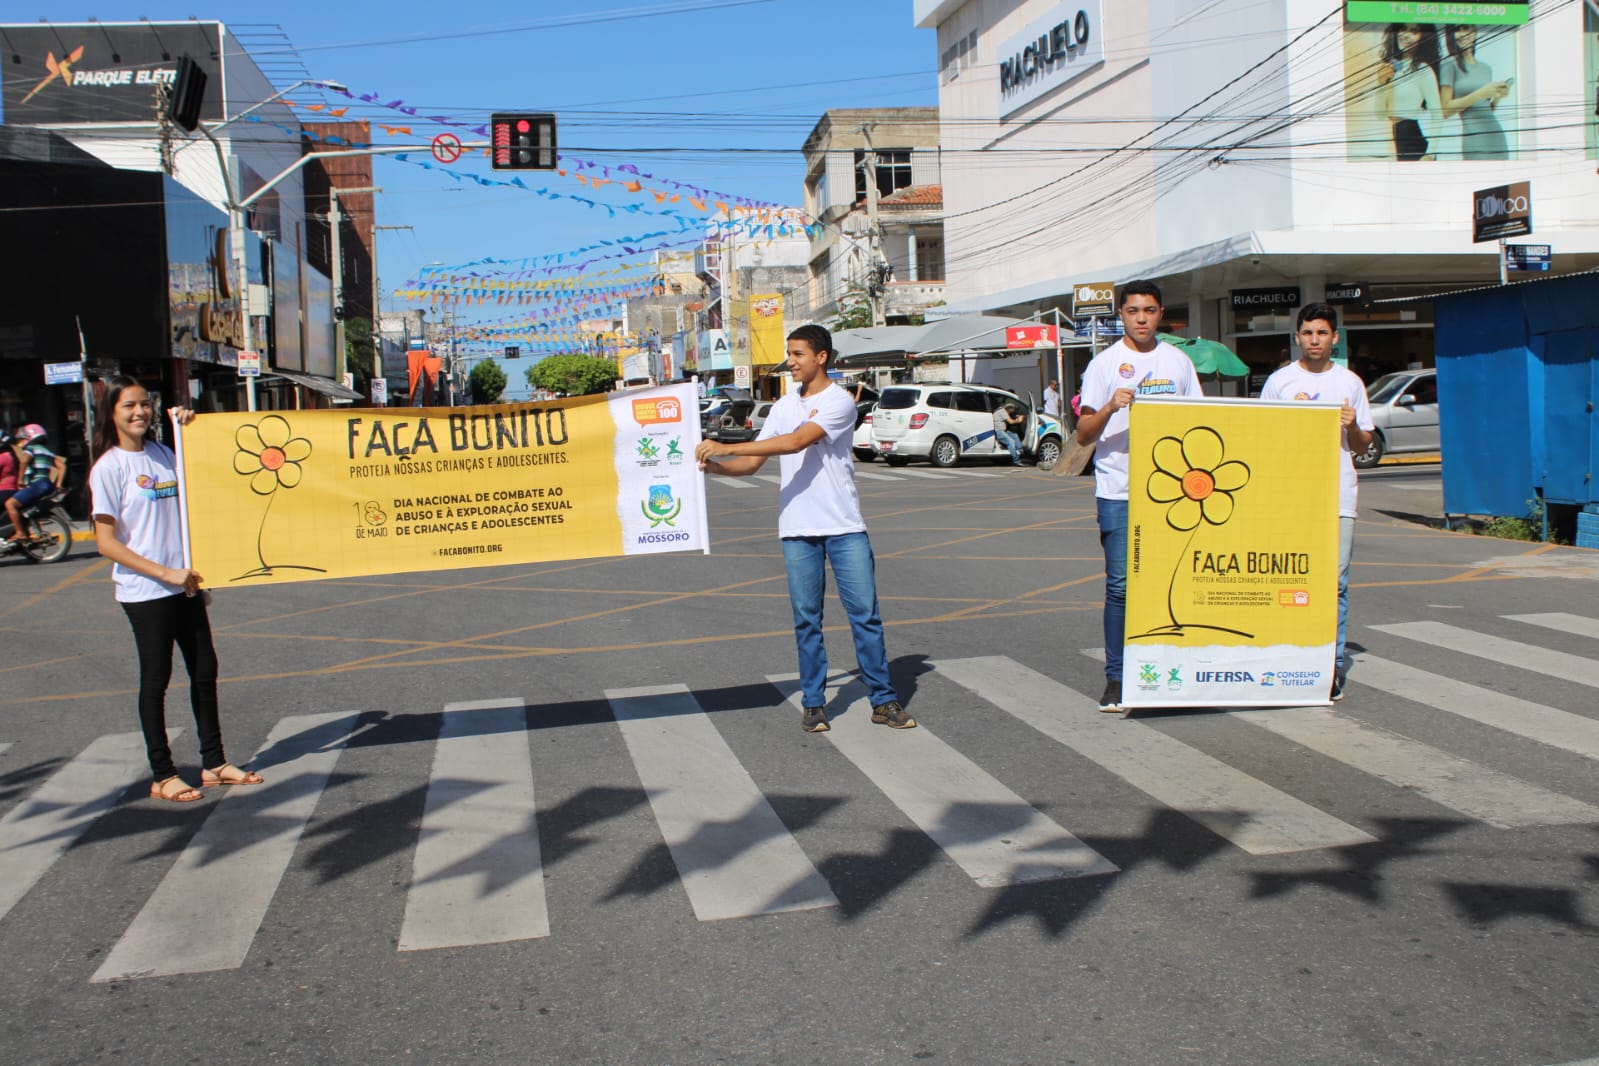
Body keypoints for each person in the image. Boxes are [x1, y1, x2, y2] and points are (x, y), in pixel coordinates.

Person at [695, 324, 914, 734]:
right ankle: (814, 702)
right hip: (797, 528)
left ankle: (883, 699)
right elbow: (752, 464)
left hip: (844, 525)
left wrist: (729, 445)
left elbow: (797, 443)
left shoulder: (839, 402)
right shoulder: (781, 407)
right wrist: (712, 466)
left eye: (797, 354)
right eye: (789, 354)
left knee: (864, 616)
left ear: (821, 357)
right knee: (806, 618)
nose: (790, 362)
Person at [89, 375, 264, 802]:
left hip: (183, 586)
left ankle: (214, 763)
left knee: (204, 671)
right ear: (112, 413)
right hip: (145, 592)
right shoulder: (109, 467)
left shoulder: (164, 454)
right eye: (129, 405)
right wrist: (163, 573)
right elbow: (105, 542)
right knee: (157, 679)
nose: (139, 413)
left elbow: (200, 495)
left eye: (145, 404)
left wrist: (193, 428)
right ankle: (163, 773)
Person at [1075, 280, 1205, 712]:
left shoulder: (1179, 362)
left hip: (1173, 495)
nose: (1142, 318)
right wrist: (1111, 406)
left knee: (1173, 586)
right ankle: (1117, 678)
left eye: (1149, 310)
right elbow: (1083, 434)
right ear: (1121, 315)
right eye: (1133, 311)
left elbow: (1201, 424)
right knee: (1121, 587)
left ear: (1161, 313)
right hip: (1118, 490)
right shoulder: (1104, 364)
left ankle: (1171, 674)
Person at [1259, 303, 1374, 702]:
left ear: (1334, 338)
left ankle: (1331, 666)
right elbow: (1264, 439)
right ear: (1297, 337)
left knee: (1334, 585)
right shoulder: (1279, 382)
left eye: (1322, 333)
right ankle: (1290, 658)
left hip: (1338, 497)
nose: (1314, 340)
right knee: (1289, 581)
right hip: (1292, 499)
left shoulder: (1351, 384)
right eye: (1307, 333)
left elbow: (1363, 446)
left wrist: (1353, 425)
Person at [1439, 25, 1510, 160]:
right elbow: (1445, 110)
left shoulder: (1486, 68)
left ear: (1475, 33)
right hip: (1473, 138)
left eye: (1466, 29)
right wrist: (1481, 93)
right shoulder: (1449, 65)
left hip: (1496, 135)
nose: (1461, 34)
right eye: (1457, 30)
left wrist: (1498, 96)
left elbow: (1486, 108)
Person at [1377, 23, 1443, 160]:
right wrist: (1381, 84)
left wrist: (1430, 154)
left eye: (1413, 31)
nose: (1405, 35)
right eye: (1402, 29)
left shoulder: (1423, 70)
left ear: (1423, 37)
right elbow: (1380, 114)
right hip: (1396, 139)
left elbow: (1438, 115)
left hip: (1412, 140)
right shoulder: (1390, 67)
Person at [6, 424, 66, 543]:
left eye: (23, 437)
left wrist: (20, 479)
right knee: (22, 508)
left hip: (37, 484)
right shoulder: (46, 451)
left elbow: (24, 461)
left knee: (10, 504)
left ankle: (20, 533)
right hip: (46, 484)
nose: (21, 440)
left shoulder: (30, 449)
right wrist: (58, 483)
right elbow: (62, 466)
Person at [992, 401, 1026, 465]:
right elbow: (1011, 422)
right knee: (1011, 442)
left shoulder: (1001, 410)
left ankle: (1020, 449)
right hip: (999, 431)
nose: (1013, 412)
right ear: (1009, 409)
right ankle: (1016, 461)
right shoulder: (1003, 412)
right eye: (1013, 410)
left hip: (1003, 430)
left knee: (1014, 435)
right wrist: (1019, 420)